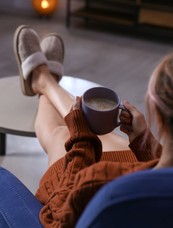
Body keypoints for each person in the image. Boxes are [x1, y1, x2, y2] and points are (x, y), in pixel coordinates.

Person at [0, 24, 169, 227]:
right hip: (146, 167)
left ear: (158, 116)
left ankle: (42, 79)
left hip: (80, 191)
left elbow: (58, 219)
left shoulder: (103, 187)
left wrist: (81, 140)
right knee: (98, 135)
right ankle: (46, 79)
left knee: (61, 133)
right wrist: (144, 143)